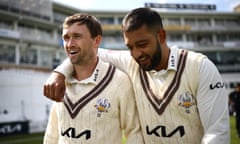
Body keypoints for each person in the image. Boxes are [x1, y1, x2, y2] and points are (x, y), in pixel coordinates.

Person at [44, 8, 230, 143]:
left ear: (161, 36)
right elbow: (88, 53)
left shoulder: (200, 67)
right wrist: (59, 73)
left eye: (142, 44)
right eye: (130, 47)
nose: (136, 53)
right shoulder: (133, 62)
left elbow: (217, 134)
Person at [43, 13, 144, 144]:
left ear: (96, 41)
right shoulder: (61, 83)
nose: (70, 44)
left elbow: (134, 132)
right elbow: (53, 133)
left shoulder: (120, 82)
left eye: (77, 37)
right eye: (66, 38)